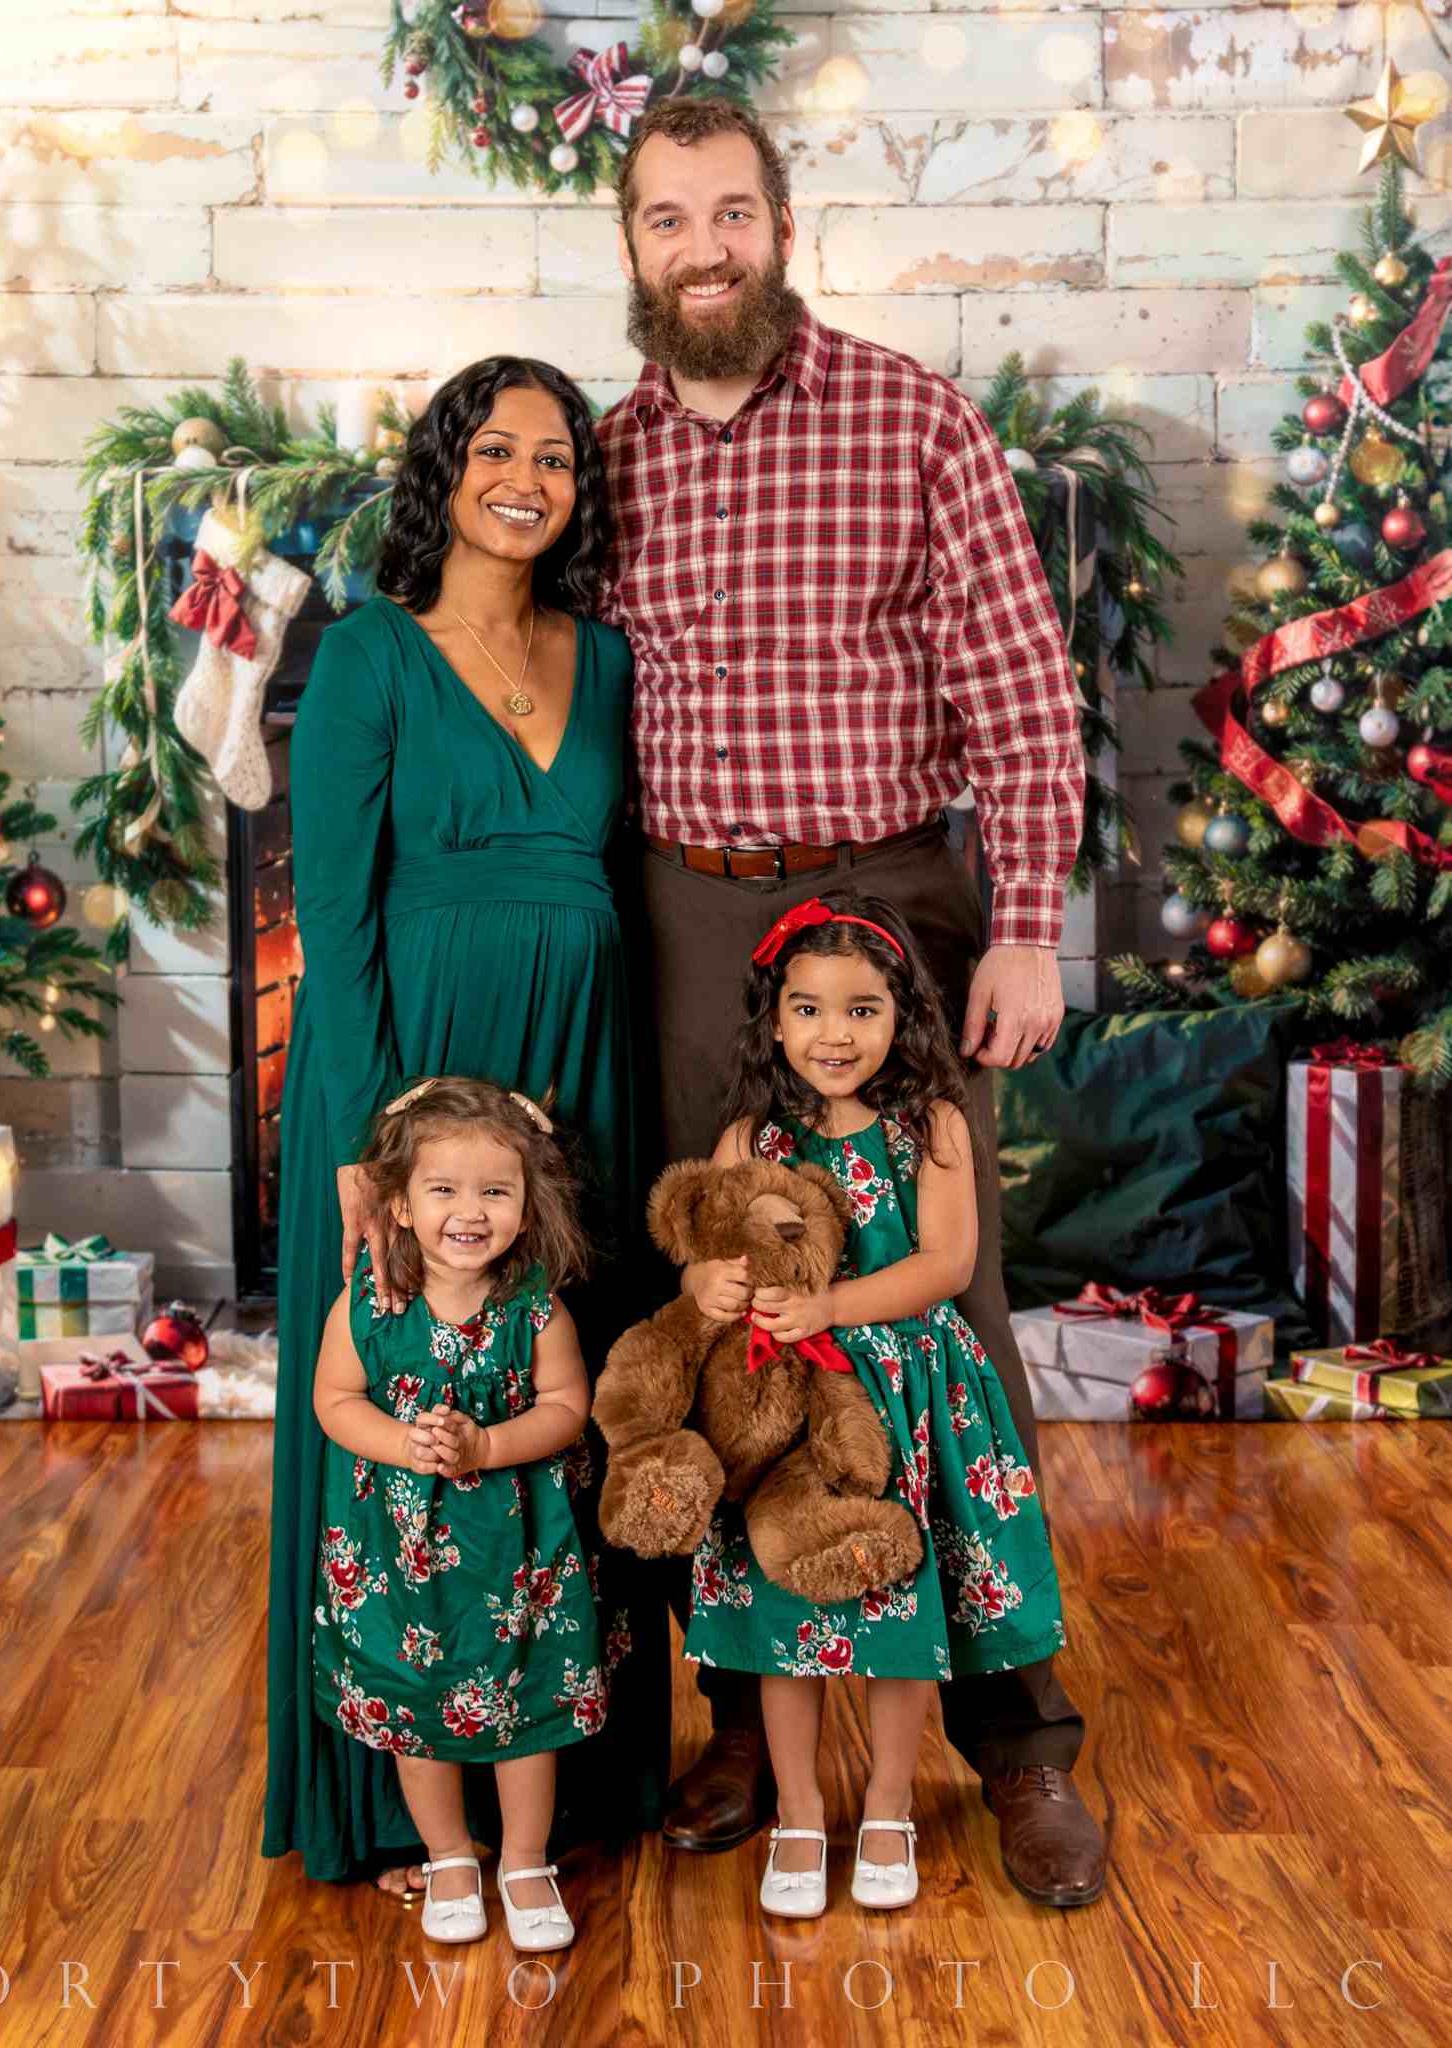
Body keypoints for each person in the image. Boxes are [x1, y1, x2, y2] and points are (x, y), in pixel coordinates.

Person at [596, 96, 1108, 1906]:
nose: (703, 244)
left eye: (730, 209)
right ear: (632, 248)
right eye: (668, 219)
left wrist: (1025, 924)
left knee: (934, 1305)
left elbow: (1021, 690)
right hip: (682, 912)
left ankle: (1016, 1727)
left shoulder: (905, 415)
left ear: (781, 224)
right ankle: (750, 1714)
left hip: (887, 889)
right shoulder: (603, 457)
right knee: (736, 1305)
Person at [264, 356, 669, 1899]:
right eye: (493, 447)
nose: (526, 476)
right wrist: (374, 1140)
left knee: (565, 1393)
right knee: (398, 1418)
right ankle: (390, 1810)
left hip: (577, 1076)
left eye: (555, 455)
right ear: (442, 471)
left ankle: (574, 1778)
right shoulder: (371, 657)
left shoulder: (611, 658)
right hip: (409, 1067)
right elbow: (335, 905)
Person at [679, 893, 1065, 1918]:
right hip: (791, 1412)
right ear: (772, 1018)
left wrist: (829, 1305)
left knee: (903, 1612)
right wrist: (709, 1289)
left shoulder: (926, 1124)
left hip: (905, 1399)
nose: (832, 1033)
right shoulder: (748, 1137)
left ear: (904, 1016)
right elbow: (714, 1259)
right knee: (784, 1621)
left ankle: (889, 1801)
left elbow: (947, 1263)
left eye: (860, 1009)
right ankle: (801, 1809)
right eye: (805, 1008)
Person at [313, 1077, 606, 1950]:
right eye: (442, 1190)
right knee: (415, 1706)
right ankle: (446, 1854)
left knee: (527, 1704)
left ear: (527, 1203)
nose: (468, 1211)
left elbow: (566, 1406)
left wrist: (484, 1448)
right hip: (396, 1550)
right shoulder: (367, 1302)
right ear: (397, 1206)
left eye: (494, 1191)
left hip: (519, 1548)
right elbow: (335, 1399)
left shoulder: (534, 1307)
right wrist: (404, 1444)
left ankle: (523, 1859)